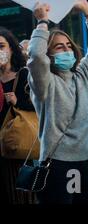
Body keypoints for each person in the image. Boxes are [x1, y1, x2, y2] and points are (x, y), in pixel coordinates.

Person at [27, 0, 88, 204]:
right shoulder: (44, 83)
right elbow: (36, 56)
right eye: (59, 48)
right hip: (58, 163)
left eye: (68, 46)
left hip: (85, 161)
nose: (66, 50)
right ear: (50, 54)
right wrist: (42, 22)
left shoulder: (84, 75)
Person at [0, 28, 36, 204]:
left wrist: (17, 102)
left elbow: (38, 108)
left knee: (19, 196)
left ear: (11, 49)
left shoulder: (24, 74)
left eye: (1, 46)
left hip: (15, 147)